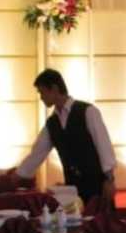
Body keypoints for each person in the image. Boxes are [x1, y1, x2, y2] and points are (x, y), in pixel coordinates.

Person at [8, 68, 117, 205]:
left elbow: (104, 146)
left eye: (42, 92)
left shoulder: (88, 111)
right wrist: (14, 178)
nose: (41, 97)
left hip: (98, 185)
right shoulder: (52, 123)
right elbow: (36, 155)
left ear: (54, 88)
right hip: (72, 188)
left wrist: (110, 180)